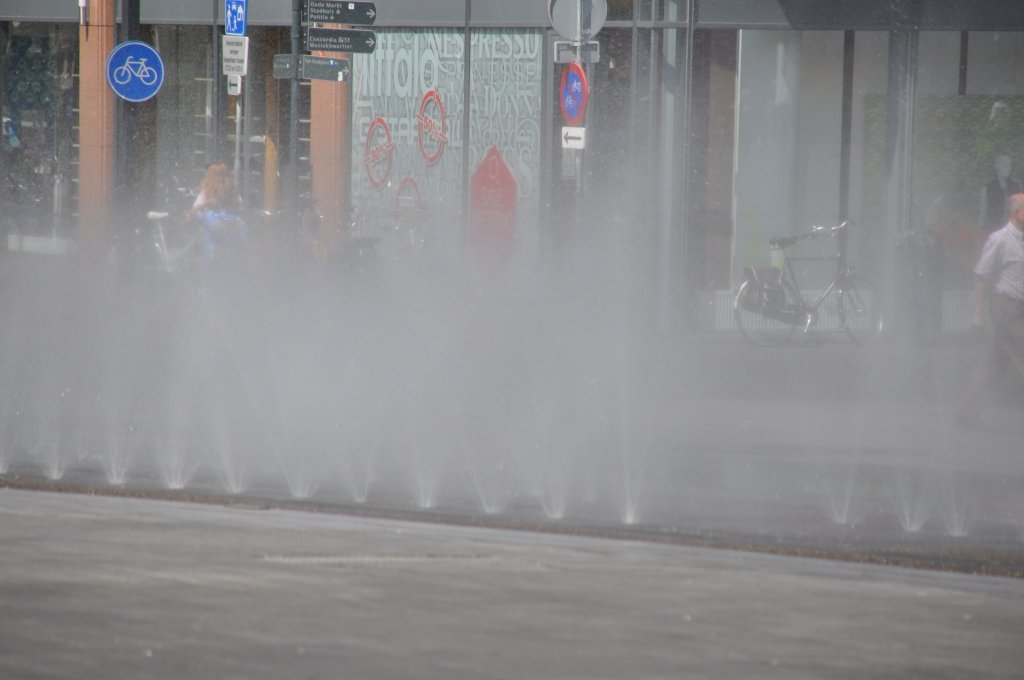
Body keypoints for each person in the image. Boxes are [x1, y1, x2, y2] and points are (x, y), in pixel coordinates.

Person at [957, 192, 1024, 428]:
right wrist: (978, 314)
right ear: (1017, 213)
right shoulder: (1000, 239)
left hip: (1020, 308)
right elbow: (982, 277)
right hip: (1006, 307)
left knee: (996, 363)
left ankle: (967, 411)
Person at [187, 162, 246, 263]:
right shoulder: (234, 194)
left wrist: (205, 204)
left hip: (211, 247)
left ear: (209, 177)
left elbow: (192, 214)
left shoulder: (205, 195)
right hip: (231, 246)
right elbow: (240, 211)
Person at [978, 154, 1022, 236]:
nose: (1008, 168)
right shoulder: (988, 188)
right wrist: (982, 230)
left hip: (1013, 230)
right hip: (994, 228)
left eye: (1009, 165)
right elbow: (983, 212)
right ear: (997, 166)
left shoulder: (1016, 186)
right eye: (1005, 165)